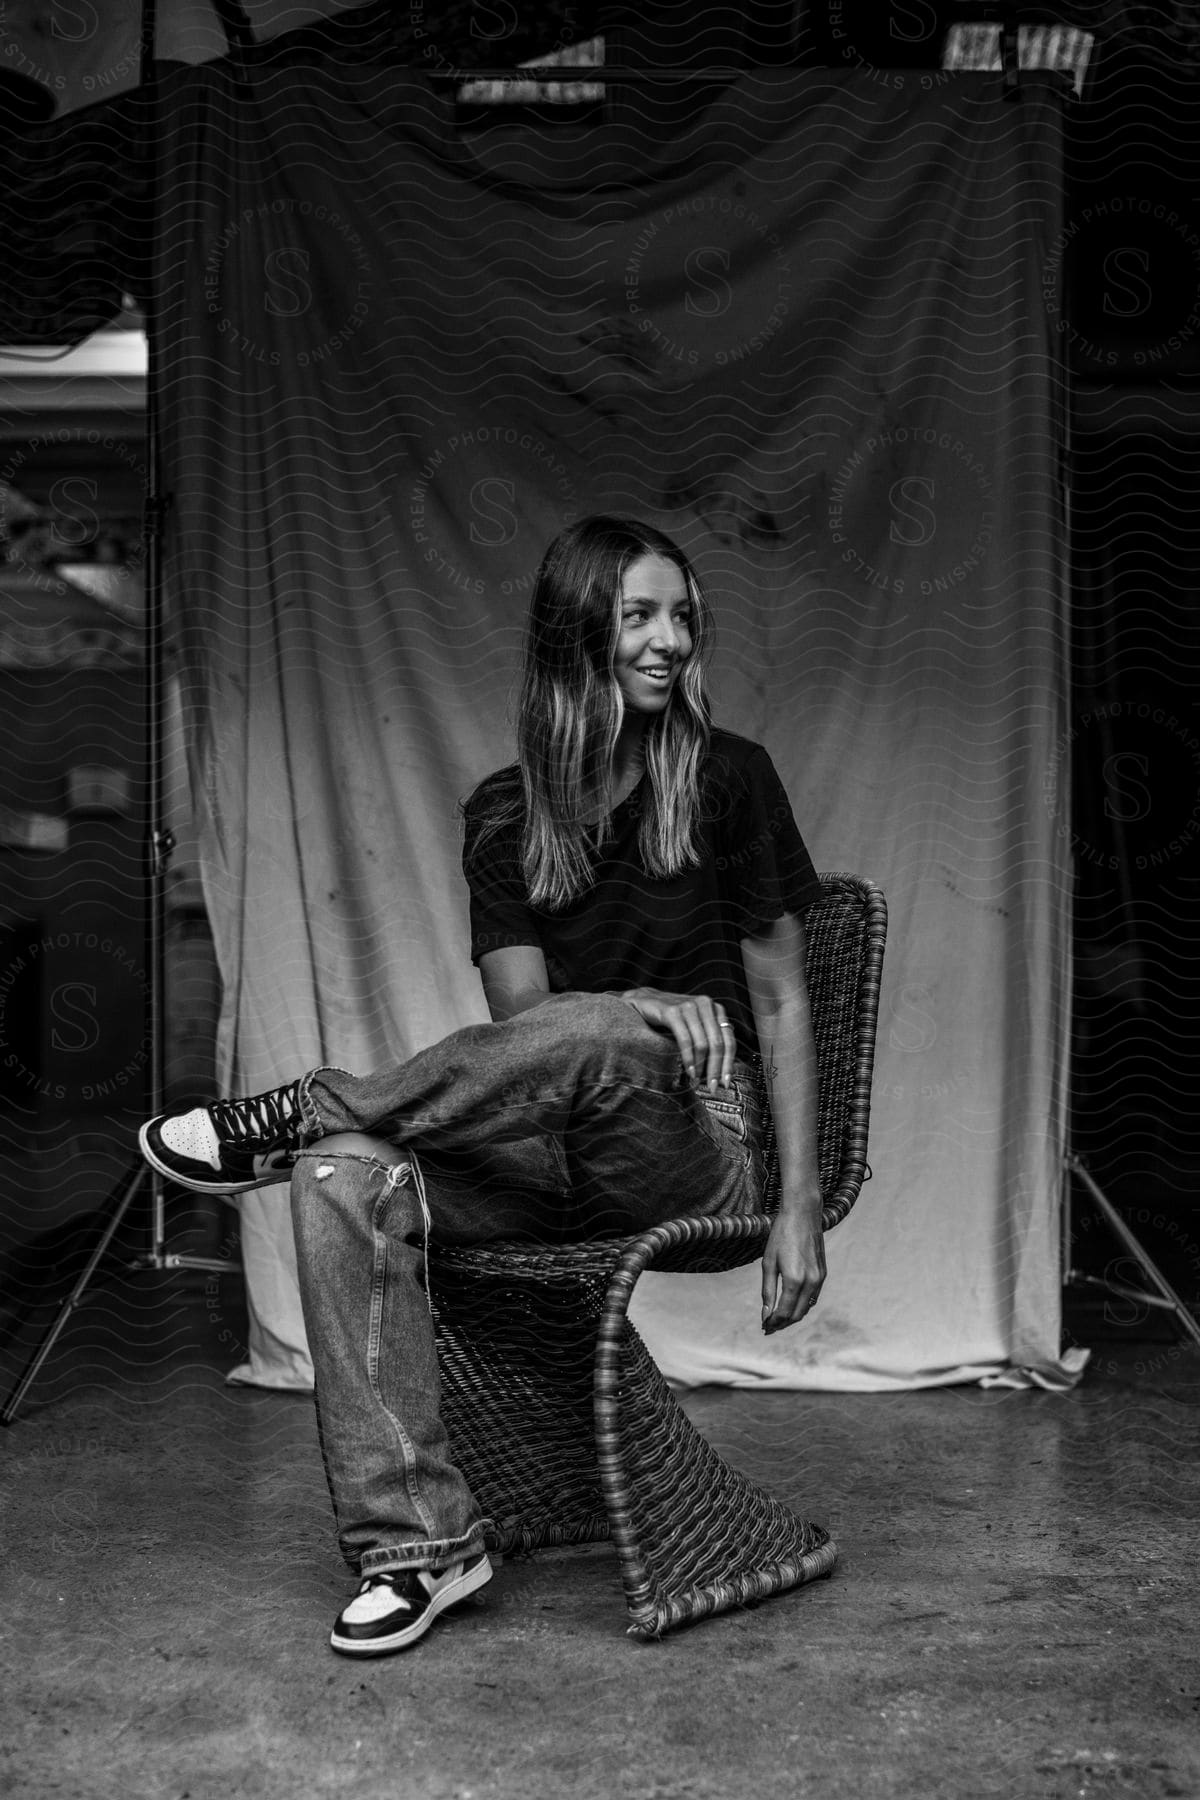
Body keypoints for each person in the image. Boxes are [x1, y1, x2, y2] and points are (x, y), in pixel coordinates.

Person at [139, 515, 827, 1658]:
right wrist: (633, 1008)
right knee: (341, 1178)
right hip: (545, 1150)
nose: (670, 642)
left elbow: (785, 1000)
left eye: (682, 616)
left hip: (697, 1140)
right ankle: (421, 1547)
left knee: (600, 1034)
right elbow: (526, 1029)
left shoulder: (729, 778)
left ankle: (305, 1102)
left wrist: (798, 1204)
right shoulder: (505, 814)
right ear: (577, 636)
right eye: (638, 617)